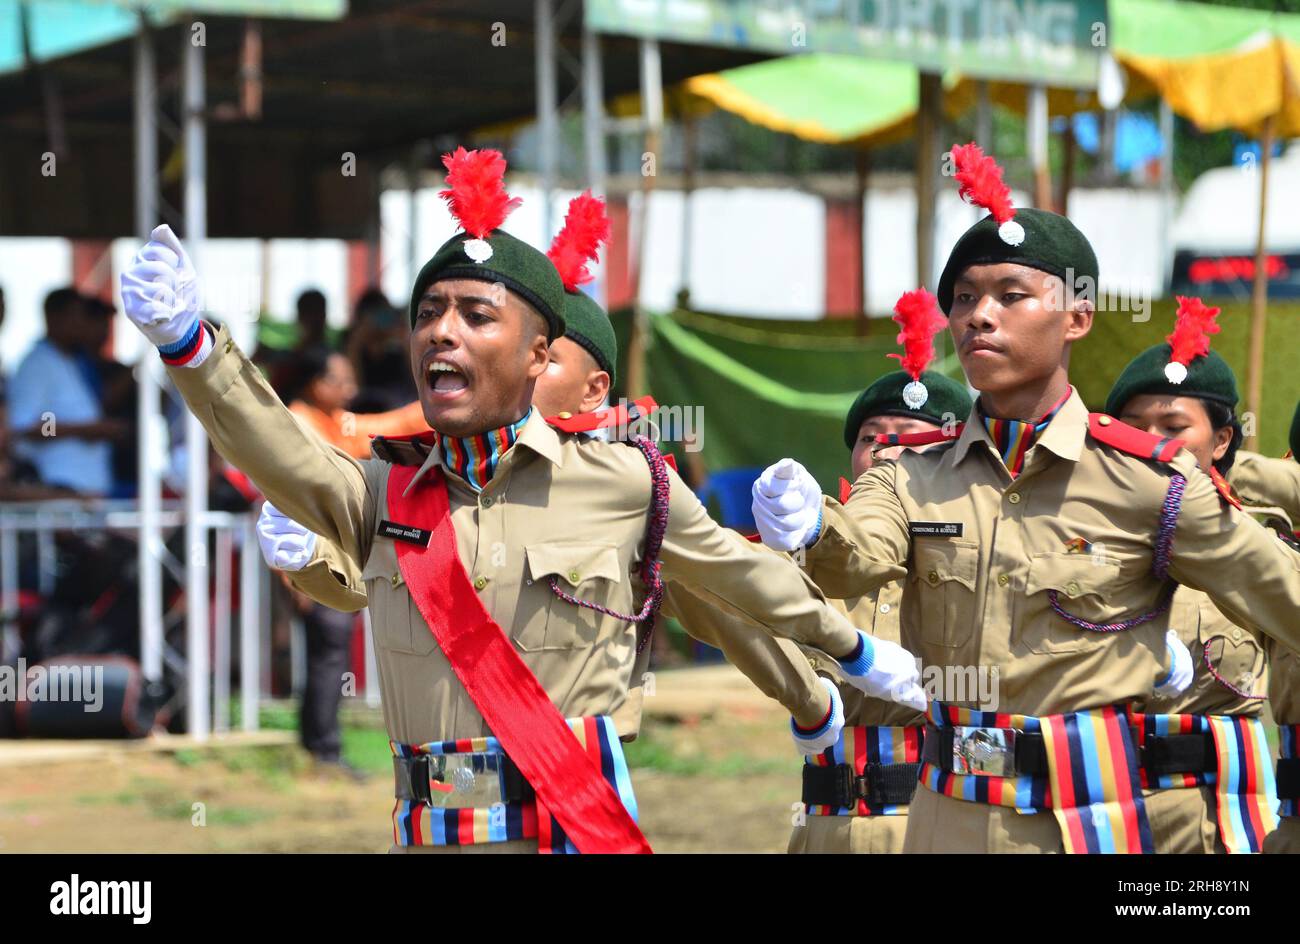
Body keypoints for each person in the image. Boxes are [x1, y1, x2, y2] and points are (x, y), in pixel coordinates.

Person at [120, 149, 923, 854]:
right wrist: (193, 347)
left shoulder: (625, 481)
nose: (444, 333)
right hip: (430, 832)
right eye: (429, 314)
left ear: (541, 355)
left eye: (476, 315)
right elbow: (279, 451)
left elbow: (738, 578)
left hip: (570, 829)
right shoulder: (380, 489)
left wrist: (850, 651)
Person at [751, 143, 1300, 854]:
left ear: (1076, 317)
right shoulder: (910, 473)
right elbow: (856, 558)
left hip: (1089, 822)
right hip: (948, 815)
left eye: (1011, 296)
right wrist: (807, 521)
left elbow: (1281, 596)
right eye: (965, 299)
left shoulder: (1151, 483)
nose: (980, 316)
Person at [1106, 297, 1287, 853]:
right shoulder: (1079, 537)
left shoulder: (1260, 542)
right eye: (1134, 427)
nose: (1151, 441)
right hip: (1105, 805)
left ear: (1224, 439)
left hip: (1227, 817)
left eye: (1173, 426)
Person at [8, 288, 124, 495]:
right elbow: (25, 425)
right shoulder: (37, 364)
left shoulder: (72, 360)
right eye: (77, 315)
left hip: (87, 493)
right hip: (57, 492)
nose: (82, 323)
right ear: (54, 317)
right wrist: (83, 430)